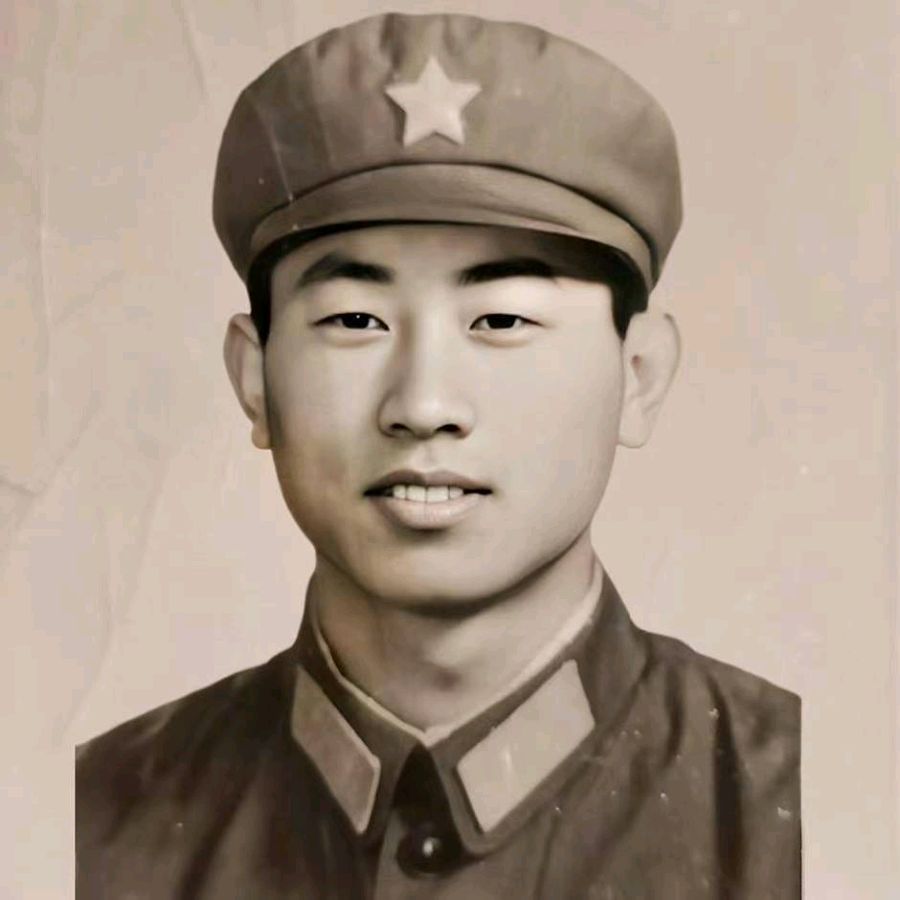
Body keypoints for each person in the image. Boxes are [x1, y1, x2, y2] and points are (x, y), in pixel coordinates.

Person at [75, 12, 801, 898]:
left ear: (639, 375)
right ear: (256, 378)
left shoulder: (799, 803)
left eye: (501, 319)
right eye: (355, 320)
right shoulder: (93, 820)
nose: (422, 406)